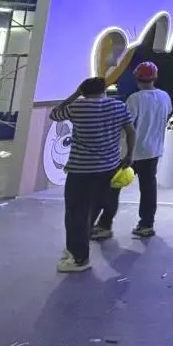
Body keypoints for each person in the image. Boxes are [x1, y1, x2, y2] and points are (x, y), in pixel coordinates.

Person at [50, 77, 136, 273]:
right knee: (95, 207)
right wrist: (129, 154)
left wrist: (75, 95)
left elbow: (54, 114)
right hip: (109, 168)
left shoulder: (77, 107)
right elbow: (131, 131)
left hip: (81, 170)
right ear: (104, 90)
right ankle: (78, 247)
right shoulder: (118, 106)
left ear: (84, 91)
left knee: (76, 212)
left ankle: (79, 257)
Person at [90, 62, 173, 241]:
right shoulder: (164, 96)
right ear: (155, 77)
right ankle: (146, 225)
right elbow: (167, 114)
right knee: (148, 189)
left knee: (113, 188)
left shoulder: (135, 99)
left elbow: (127, 125)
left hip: (131, 153)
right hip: (153, 151)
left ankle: (104, 225)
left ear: (137, 78)